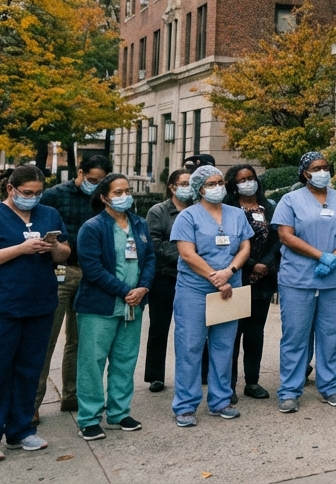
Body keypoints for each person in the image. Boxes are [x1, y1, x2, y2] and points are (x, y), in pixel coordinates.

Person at [274, 153, 336, 413]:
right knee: (296, 335)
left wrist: (335, 257)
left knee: (332, 334)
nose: (322, 171)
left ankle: (330, 385)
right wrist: (319, 255)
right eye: (316, 168)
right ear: (305, 173)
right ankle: (290, 390)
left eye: (325, 167)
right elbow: (285, 235)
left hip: (333, 279)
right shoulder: (290, 200)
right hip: (298, 278)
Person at [170, 165, 253, 427]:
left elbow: (245, 246)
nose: (218, 187)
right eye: (211, 184)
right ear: (199, 189)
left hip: (230, 286)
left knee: (224, 346)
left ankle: (220, 401)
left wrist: (229, 272)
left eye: (220, 182)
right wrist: (213, 276)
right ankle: (185, 405)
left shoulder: (236, 214)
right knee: (190, 346)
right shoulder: (188, 216)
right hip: (195, 289)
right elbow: (187, 254)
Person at [73, 173, 154, 441]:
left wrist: (143, 288)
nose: (125, 196)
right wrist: (125, 291)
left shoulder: (139, 224)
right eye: (118, 192)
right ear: (104, 197)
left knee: (125, 360)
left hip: (134, 305)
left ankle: (119, 413)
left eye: (127, 190)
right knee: (92, 363)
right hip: (100, 306)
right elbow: (92, 269)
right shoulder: (93, 228)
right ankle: (89, 417)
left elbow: (150, 258)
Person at [1, 165, 70, 455]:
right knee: (2, 369)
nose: (33, 198)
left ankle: (21, 431)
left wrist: (53, 247)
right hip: (6, 305)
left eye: (38, 193)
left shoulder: (49, 214)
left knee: (29, 369)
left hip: (40, 303)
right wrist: (21, 249)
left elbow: (66, 252)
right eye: (27, 193)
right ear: (11, 190)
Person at [35, 153, 108, 417]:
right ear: (79, 173)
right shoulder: (54, 196)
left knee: (80, 341)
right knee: (46, 339)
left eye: (100, 182)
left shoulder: (102, 198)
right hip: (59, 273)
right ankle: (32, 404)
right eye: (91, 180)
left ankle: (72, 395)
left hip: (90, 274)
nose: (94, 185)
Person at [225, 165, 278, 401]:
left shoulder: (270, 207)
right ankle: (228, 384)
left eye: (251, 178)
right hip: (237, 276)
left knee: (255, 332)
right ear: (233, 186)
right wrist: (251, 264)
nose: (248, 182)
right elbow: (228, 243)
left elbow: (278, 239)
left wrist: (264, 264)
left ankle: (252, 381)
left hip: (263, 279)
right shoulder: (227, 210)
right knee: (232, 333)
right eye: (242, 179)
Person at [144, 169, 192, 393]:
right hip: (164, 276)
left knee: (194, 327)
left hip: (193, 277)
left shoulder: (198, 210)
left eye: (191, 183)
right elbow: (155, 244)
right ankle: (156, 375)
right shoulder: (158, 211)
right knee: (159, 327)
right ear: (172, 186)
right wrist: (187, 254)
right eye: (183, 183)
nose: (187, 187)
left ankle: (198, 372)